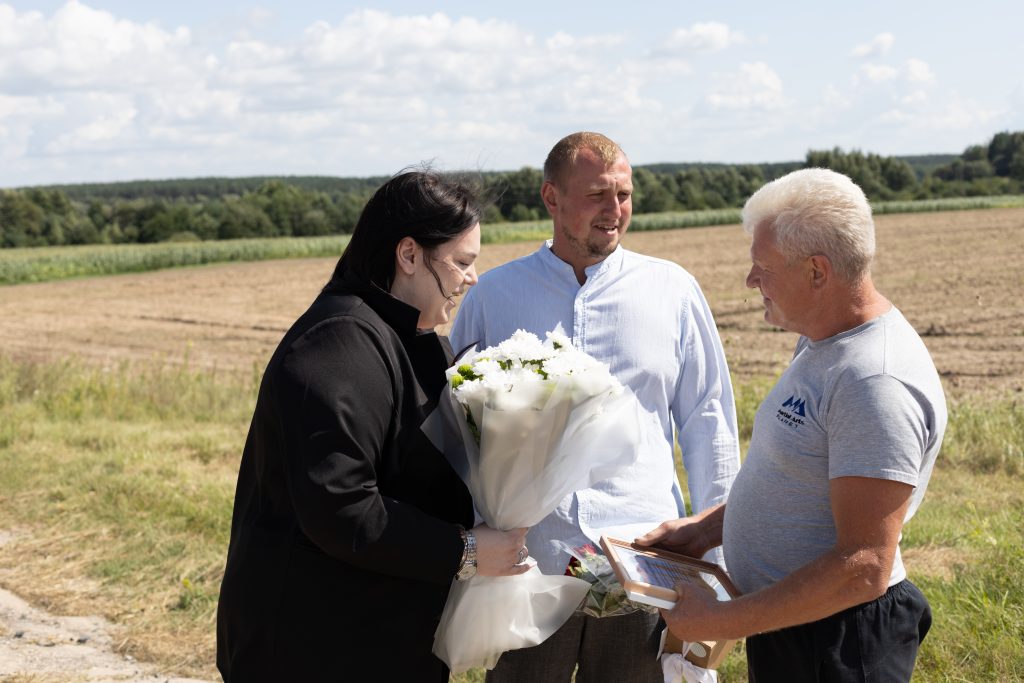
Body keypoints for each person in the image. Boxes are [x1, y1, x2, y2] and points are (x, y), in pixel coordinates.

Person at [215, 170, 530, 683]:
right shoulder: (339, 343)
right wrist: (467, 551)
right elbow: (341, 507)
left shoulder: (401, 336)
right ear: (408, 255)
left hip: (373, 638)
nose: (471, 279)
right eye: (461, 262)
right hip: (313, 647)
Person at [450, 132, 741, 682]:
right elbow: (459, 427)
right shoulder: (492, 294)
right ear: (551, 198)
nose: (615, 212)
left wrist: (720, 552)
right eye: (597, 196)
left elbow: (709, 422)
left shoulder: (672, 290)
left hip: (647, 562)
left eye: (624, 196)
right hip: (529, 563)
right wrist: (468, 544)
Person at [641, 168, 946, 682]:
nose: (751, 281)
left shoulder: (873, 381)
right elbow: (796, 477)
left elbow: (864, 566)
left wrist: (719, 620)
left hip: (837, 641)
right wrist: (702, 530)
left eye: (763, 267)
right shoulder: (824, 340)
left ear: (817, 272)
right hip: (798, 625)